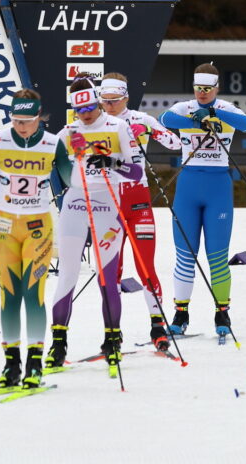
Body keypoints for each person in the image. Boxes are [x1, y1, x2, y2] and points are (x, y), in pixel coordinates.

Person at [0, 89, 73, 389]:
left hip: (37, 229)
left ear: (39, 118)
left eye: (27, 120)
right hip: (5, 228)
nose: (20, 126)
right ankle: (11, 364)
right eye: (16, 120)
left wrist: (80, 157)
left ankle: (35, 363)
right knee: (9, 295)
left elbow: (72, 180)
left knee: (33, 293)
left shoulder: (52, 143)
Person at [47, 78, 144, 372]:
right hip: (76, 204)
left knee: (107, 277)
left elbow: (137, 172)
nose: (86, 114)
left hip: (107, 205)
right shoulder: (68, 132)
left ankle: (112, 341)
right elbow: (49, 165)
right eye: (79, 109)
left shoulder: (117, 128)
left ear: (98, 102)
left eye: (90, 106)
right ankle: (58, 344)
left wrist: (111, 163)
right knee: (67, 276)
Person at [160, 63, 246, 338]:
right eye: (198, 89)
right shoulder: (185, 107)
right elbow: (165, 119)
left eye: (207, 89)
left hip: (218, 188)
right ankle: (180, 312)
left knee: (217, 257)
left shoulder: (226, 107)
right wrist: (195, 120)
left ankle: (222, 312)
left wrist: (213, 113)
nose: (201, 94)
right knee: (185, 256)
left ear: (216, 88)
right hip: (188, 185)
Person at [98, 73, 183, 350]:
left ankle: (157, 326)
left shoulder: (141, 119)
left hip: (138, 201)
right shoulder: (94, 123)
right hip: (108, 202)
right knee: (112, 271)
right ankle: (112, 331)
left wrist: (150, 132)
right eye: (105, 101)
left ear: (126, 97)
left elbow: (175, 143)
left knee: (146, 267)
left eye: (114, 100)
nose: (109, 106)